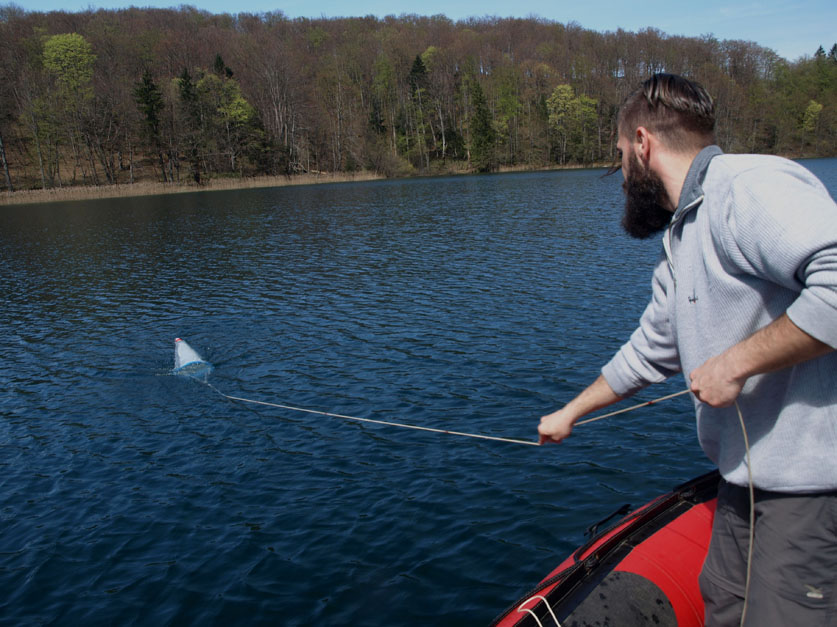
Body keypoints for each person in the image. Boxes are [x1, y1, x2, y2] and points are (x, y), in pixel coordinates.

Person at [537, 73, 837, 626]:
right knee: (724, 604)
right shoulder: (683, 235)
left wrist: (736, 363)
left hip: (812, 488)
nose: (621, 174)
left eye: (620, 155)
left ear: (642, 143)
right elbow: (652, 349)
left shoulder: (748, 188)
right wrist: (570, 412)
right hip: (743, 482)